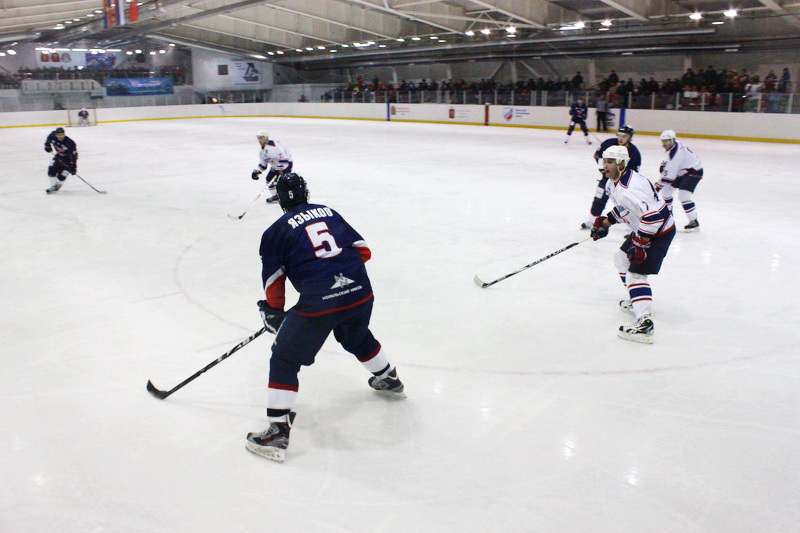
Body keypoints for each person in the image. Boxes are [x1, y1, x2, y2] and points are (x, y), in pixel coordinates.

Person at [246, 173, 404, 463]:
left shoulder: (274, 232)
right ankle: (388, 378)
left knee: (284, 358)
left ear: (279, 199)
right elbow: (363, 251)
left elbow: (274, 281)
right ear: (306, 192)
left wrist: (274, 311)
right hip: (360, 290)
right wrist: (338, 276)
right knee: (356, 336)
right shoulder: (329, 212)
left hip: (319, 303)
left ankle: (277, 432)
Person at [590, 145, 675, 344]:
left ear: (621, 164)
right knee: (621, 259)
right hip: (645, 228)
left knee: (636, 274)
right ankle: (637, 299)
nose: (605, 165)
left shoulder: (630, 188)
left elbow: (653, 218)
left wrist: (639, 244)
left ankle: (644, 323)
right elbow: (625, 208)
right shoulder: (614, 182)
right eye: (605, 161)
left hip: (658, 232)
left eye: (610, 162)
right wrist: (606, 223)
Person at [580, 125, 641, 229]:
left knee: (626, 204)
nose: (620, 138)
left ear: (630, 137)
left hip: (623, 183)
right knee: (599, 199)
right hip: (606, 179)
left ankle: (632, 226)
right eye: (619, 135)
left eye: (624, 136)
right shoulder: (608, 143)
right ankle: (592, 221)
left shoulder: (634, 153)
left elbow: (634, 173)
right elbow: (597, 155)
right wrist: (602, 167)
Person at [655, 130, 703, 232]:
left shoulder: (676, 155)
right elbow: (670, 165)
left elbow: (669, 177)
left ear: (672, 140)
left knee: (684, 195)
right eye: (663, 141)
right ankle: (668, 218)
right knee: (666, 191)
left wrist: (656, 188)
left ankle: (693, 221)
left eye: (667, 141)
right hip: (682, 171)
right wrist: (665, 164)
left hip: (694, 172)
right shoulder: (675, 145)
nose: (665, 144)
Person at [251, 130, 293, 203]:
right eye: (259, 138)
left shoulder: (274, 147)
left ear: (266, 138)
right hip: (275, 166)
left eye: (261, 138)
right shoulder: (262, 151)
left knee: (283, 181)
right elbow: (263, 164)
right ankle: (276, 196)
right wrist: (257, 171)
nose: (260, 140)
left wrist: (280, 170)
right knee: (269, 179)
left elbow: (284, 159)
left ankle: (290, 197)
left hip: (286, 165)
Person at [43, 127, 78, 194]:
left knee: (61, 177)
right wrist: (47, 145)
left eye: (62, 134)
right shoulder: (52, 136)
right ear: (56, 135)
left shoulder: (70, 143)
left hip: (68, 160)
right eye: (59, 135)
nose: (60, 136)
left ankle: (58, 185)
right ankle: (53, 186)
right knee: (51, 170)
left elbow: (74, 155)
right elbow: (48, 139)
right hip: (58, 157)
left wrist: (73, 166)